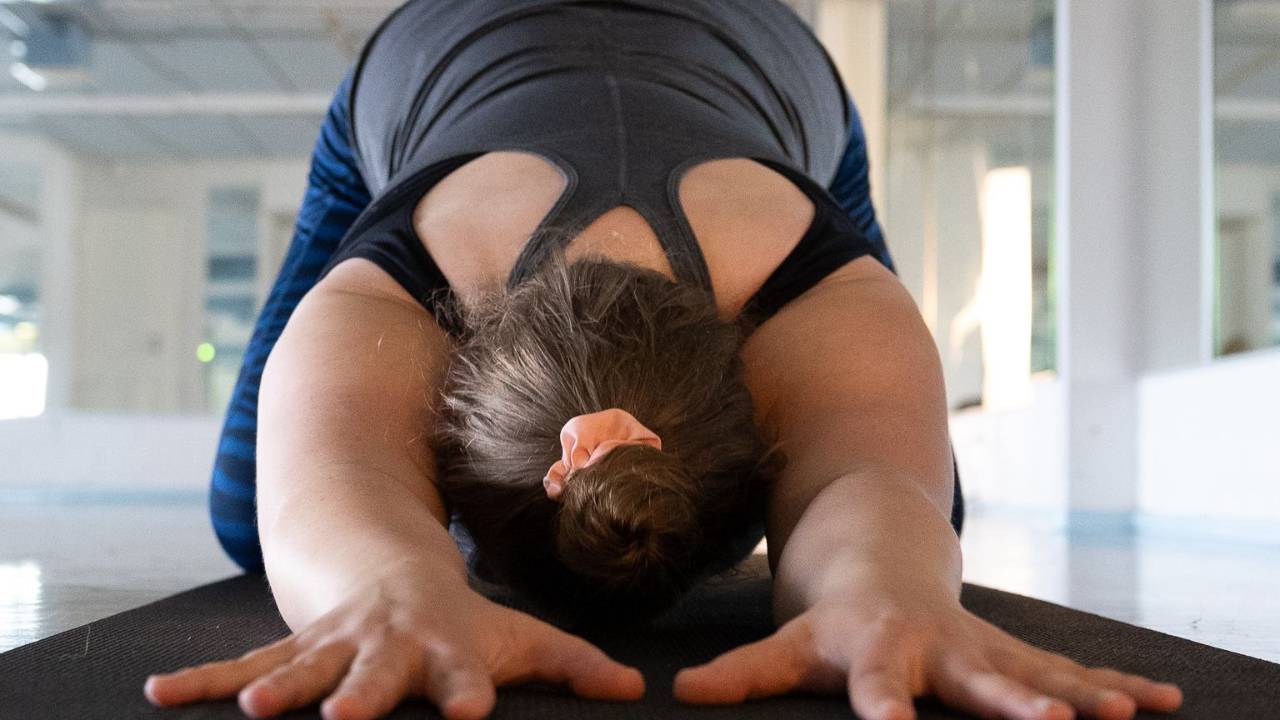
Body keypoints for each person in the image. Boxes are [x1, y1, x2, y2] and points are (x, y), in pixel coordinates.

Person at [144, 2, 1184, 720]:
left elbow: (869, 481)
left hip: (755, 77)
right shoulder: (400, 278)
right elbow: (335, 480)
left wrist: (887, 587)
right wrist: (389, 581)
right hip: (448, 69)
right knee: (248, 516)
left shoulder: (821, 291)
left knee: (928, 505)